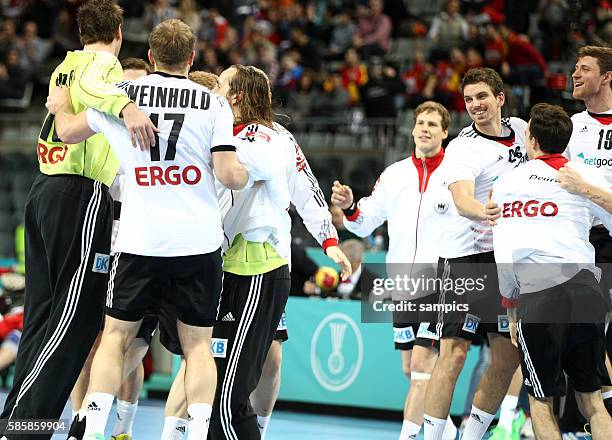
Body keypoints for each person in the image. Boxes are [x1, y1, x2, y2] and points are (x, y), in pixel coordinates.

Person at [45, 19, 249, 440]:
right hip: (197, 243)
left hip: (140, 239)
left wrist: (59, 104)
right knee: (197, 348)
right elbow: (229, 175)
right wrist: (246, 175)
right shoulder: (214, 104)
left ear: (152, 56)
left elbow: (66, 134)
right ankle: (196, 433)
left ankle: (92, 426)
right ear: (192, 59)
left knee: (116, 337)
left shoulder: (123, 96)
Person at [0, 2, 156, 437]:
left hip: (47, 191)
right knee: (78, 319)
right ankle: (29, 425)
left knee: (43, 317)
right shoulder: (101, 66)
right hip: (80, 194)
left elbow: (82, 87)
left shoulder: (64, 67)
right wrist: (126, 108)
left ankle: (18, 420)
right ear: (120, 32)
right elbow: (100, 79)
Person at [332, 100, 457, 440]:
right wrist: (349, 207)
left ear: (445, 132)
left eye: (433, 124)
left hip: (441, 281)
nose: (425, 129)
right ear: (412, 129)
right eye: (421, 123)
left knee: (421, 366)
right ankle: (448, 430)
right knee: (410, 369)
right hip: (401, 281)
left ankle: (409, 436)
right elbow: (364, 222)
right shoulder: (395, 174)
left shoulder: (458, 173)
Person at [493, 103, 612, 440]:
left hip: (539, 295)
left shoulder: (507, 182)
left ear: (530, 139)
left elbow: (504, 250)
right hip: (587, 291)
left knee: (540, 401)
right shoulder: (583, 176)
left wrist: (510, 306)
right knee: (593, 401)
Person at [423, 68, 527, 440]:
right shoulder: (464, 147)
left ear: (500, 98)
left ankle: (472, 435)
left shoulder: (521, 129)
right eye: (468, 100)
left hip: (504, 260)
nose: (475, 105)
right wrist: (484, 211)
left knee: (508, 355)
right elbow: (462, 196)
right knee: (453, 353)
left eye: (482, 97)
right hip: (464, 256)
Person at [67, 57, 155, 440]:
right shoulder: (101, 132)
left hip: (143, 246)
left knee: (130, 344)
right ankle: (79, 423)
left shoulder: (158, 137)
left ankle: (121, 427)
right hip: (102, 243)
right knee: (90, 345)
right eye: (127, 87)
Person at [564, 46, 612, 412]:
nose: (575, 75)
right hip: (585, 242)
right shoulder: (570, 129)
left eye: (584, 69)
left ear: (607, 76)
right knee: (583, 338)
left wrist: (588, 190)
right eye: (574, 68)